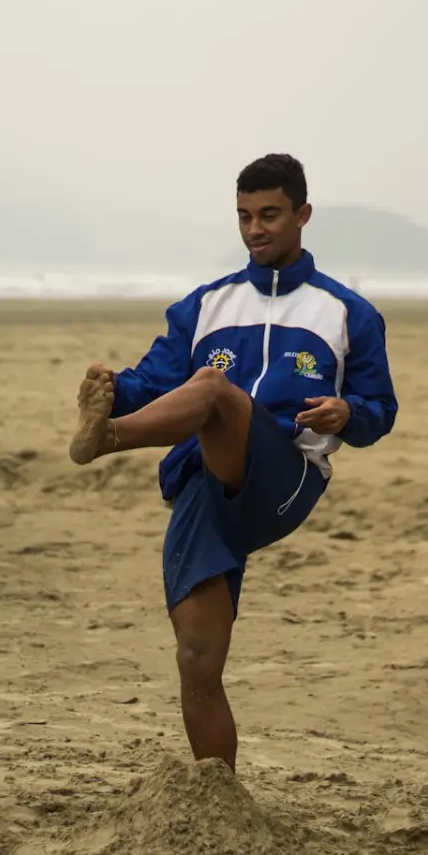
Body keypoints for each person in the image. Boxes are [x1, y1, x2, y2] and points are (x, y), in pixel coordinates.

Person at [67, 153, 398, 772]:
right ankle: (219, 797)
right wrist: (115, 386)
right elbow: (155, 380)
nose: (255, 230)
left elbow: (381, 410)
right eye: (244, 217)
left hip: (286, 474)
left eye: (269, 215)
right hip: (203, 481)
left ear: (302, 214)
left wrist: (348, 413)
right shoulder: (204, 306)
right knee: (197, 660)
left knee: (217, 393)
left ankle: (109, 440)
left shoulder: (347, 313)